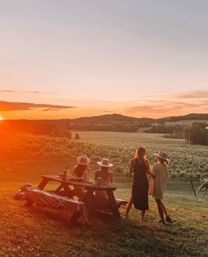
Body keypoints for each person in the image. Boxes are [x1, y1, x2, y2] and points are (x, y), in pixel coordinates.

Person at [124, 147, 152, 221]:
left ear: (137, 152)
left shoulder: (133, 161)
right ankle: (142, 218)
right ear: (144, 153)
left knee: (133, 197)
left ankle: (126, 214)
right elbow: (148, 172)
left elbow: (130, 172)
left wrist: (135, 170)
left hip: (137, 181)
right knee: (144, 198)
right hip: (143, 182)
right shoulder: (146, 161)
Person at [149, 151, 172, 224]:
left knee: (158, 202)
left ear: (159, 158)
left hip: (157, 185)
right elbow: (165, 177)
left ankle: (163, 220)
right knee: (159, 200)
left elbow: (153, 176)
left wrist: (149, 171)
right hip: (162, 185)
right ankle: (166, 216)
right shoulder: (165, 167)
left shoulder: (156, 166)